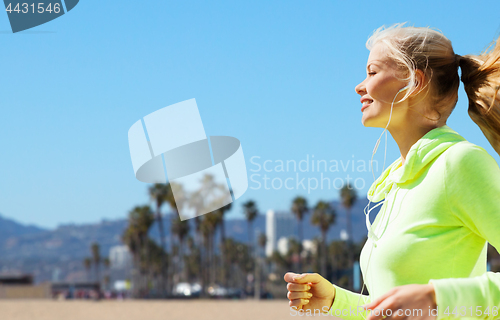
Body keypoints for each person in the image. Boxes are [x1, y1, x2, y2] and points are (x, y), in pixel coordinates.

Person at [284, 22, 500, 320]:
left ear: (415, 82)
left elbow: (427, 305)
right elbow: (399, 310)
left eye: (372, 72)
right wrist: (335, 300)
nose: (359, 85)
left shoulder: (459, 164)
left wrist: (439, 298)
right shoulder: (401, 181)